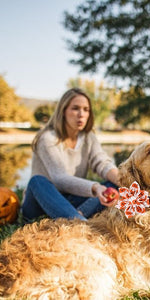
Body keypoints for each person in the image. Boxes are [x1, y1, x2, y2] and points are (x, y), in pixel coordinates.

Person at [21, 87, 119, 222]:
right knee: (37, 180)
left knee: (113, 185)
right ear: (63, 111)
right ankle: (79, 222)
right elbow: (59, 178)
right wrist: (96, 188)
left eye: (86, 109)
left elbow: (102, 163)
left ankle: (75, 216)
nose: (81, 114)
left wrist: (125, 181)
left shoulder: (88, 137)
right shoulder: (47, 138)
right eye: (75, 108)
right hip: (40, 203)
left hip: (70, 200)